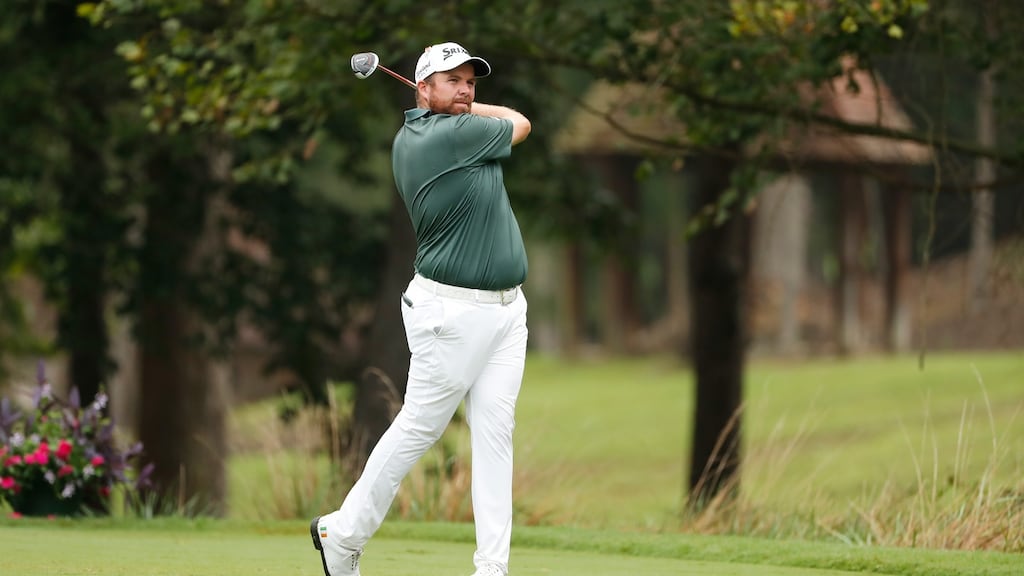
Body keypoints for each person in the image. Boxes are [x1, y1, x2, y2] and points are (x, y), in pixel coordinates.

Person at [311, 41, 532, 576]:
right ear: (421, 88)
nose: (464, 90)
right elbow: (521, 122)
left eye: (470, 82)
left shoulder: (447, 128)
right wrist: (468, 108)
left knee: (496, 435)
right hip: (450, 316)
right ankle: (342, 533)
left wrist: (455, 103)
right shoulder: (443, 137)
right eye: (450, 80)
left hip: (506, 313)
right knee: (417, 428)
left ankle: (492, 568)